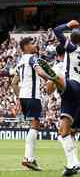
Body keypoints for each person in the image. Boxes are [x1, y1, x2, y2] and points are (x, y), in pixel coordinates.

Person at [36, 20, 80, 176]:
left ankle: (53, 77)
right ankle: (73, 164)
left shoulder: (71, 49)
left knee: (58, 78)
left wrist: (68, 25)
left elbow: (57, 30)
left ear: (71, 41)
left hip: (70, 84)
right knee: (63, 132)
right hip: (76, 92)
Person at [11, 37, 50, 171]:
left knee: (33, 126)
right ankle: (28, 158)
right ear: (26, 46)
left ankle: (30, 158)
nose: (35, 45)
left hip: (24, 96)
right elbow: (39, 71)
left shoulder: (20, 61)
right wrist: (51, 79)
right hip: (33, 96)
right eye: (32, 43)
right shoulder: (32, 58)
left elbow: (13, 83)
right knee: (34, 126)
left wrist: (19, 97)